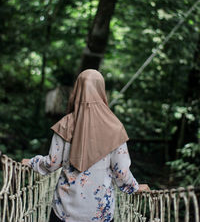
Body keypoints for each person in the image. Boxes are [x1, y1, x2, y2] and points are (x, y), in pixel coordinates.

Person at [22, 69, 150, 222]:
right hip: (100, 214)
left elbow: (52, 163)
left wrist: (31, 162)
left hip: (64, 212)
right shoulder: (114, 127)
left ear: (77, 90)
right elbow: (121, 172)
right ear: (102, 90)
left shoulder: (66, 124)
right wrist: (134, 188)